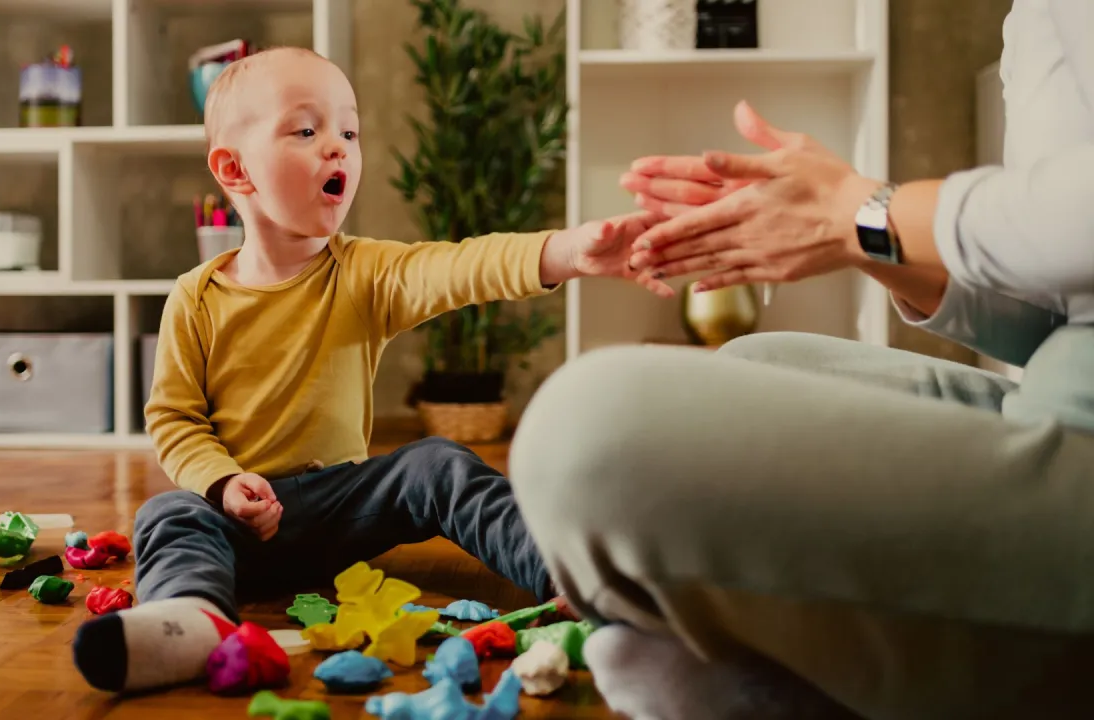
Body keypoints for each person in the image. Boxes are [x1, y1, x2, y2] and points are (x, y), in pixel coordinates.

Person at [508, 1, 1094, 718]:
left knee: (584, 431)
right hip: (1056, 396)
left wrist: (865, 211)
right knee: (752, 366)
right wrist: (858, 238)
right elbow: (1050, 321)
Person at [71, 45, 660, 694]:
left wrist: (569, 251)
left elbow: (460, 267)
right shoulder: (195, 297)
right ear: (234, 169)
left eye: (349, 133)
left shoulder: (364, 274)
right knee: (167, 513)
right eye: (306, 130)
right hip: (236, 520)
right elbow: (174, 419)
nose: (338, 147)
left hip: (339, 507)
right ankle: (190, 619)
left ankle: (568, 576)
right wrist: (223, 483)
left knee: (435, 463)